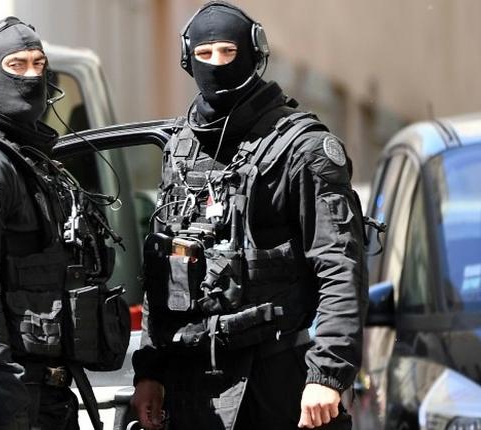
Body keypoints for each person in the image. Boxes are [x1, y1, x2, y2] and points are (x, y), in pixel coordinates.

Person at [130, 2, 368, 429]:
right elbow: (163, 273)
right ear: (188, 59)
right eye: (205, 55)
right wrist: (151, 370)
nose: (217, 65)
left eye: (227, 52)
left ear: (254, 52)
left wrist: (327, 375)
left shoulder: (303, 148)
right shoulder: (180, 149)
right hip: (195, 386)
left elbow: (339, 265)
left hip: (279, 378)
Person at [0, 16, 128, 430]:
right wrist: (7, 400)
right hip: (17, 398)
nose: (32, 75)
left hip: (44, 395)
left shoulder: (18, 153)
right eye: (17, 65)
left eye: (39, 63)